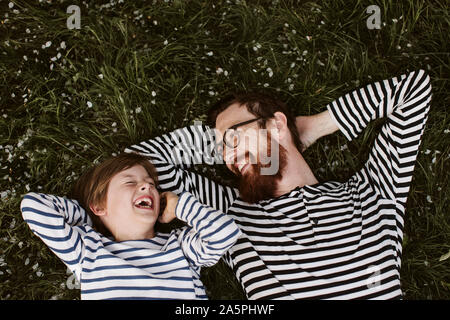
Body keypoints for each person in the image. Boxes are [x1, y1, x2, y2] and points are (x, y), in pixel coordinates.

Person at [125, 69, 432, 299]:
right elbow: (137, 163)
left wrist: (312, 127)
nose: (228, 157)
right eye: (221, 150)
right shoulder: (231, 213)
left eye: (232, 137)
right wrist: (231, 144)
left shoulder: (373, 192)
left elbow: (413, 91)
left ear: (277, 123)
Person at [20, 152, 241, 300]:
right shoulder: (88, 249)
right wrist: (89, 216)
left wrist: (180, 206)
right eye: (130, 182)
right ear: (98, 205)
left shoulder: (179, 245)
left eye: (152, 184)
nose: (146, 185)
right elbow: (33, 206)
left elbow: (225, 233)